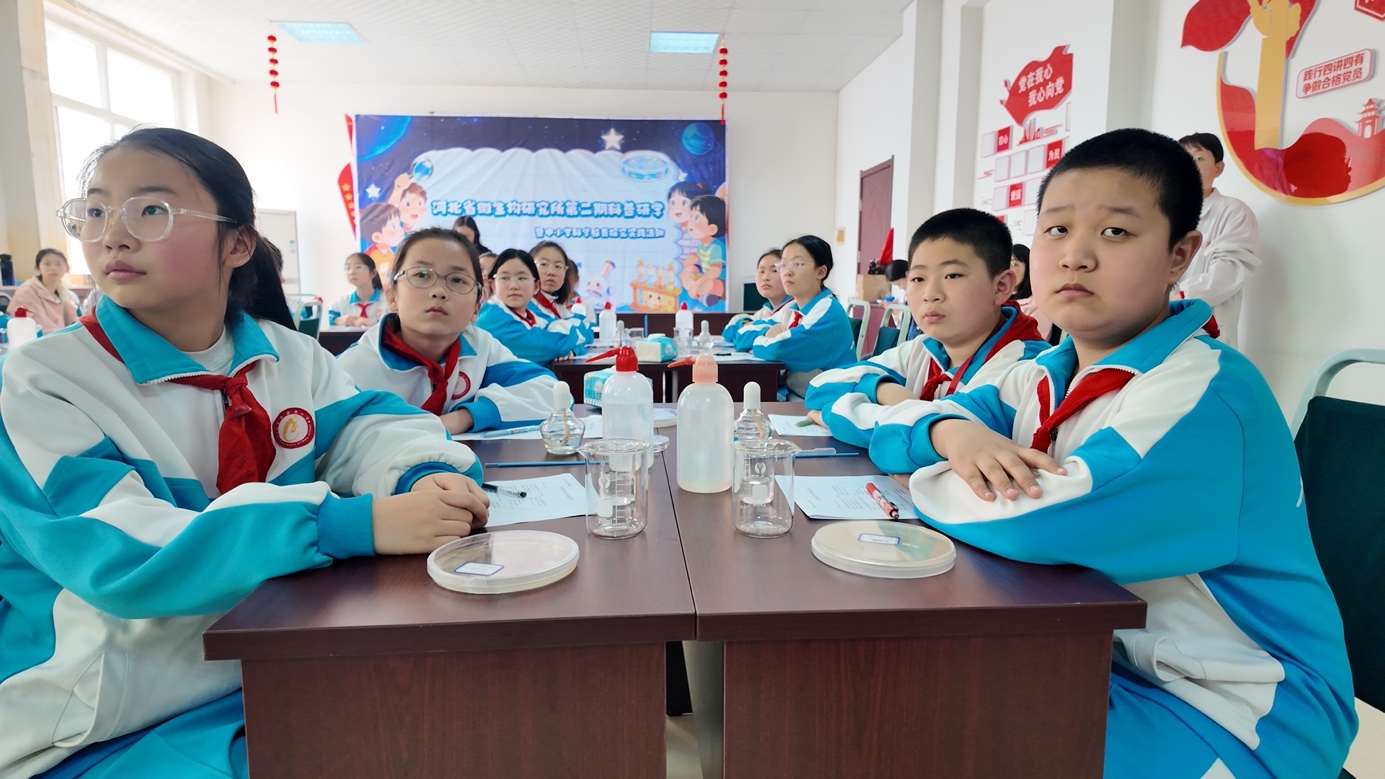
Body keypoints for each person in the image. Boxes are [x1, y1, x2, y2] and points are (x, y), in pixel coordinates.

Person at [0, 128, 490, 778]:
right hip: (107, 708)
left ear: (237, 243)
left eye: (150, 209)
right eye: (95, 211)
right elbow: (118, 552)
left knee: (449, 722)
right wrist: (341, 523)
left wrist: (423, 476)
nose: (112, 235)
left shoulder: (288, 356)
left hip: (268, 660)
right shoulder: (42, 381)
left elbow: (370, 426)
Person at [870, 128, 1355, 778]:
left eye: (1115, 232)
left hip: (1235, 706)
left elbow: (1035, 518)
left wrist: (921, 474)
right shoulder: (1044, 373)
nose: (1075, 256)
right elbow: (887, 425)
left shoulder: (1204, 391)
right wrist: (950, 436)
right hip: (1103, 652)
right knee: (897, 703)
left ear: (1179, 255)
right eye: (1056, 230)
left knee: (930, 734)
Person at [804, 208, 1048, 449]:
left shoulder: (1027, 367)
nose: (930, 294)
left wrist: (833, 416)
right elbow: (818, 388)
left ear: (1001, 286)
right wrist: (884, 390)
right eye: (918, 279)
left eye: (952, 275)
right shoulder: (926, 348)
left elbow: (929, 440)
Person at [338, 228, 559, 436]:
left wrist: (466, 417)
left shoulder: (479, 347)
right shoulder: (349, 372)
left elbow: (552, 392)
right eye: (421, 275)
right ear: (392, 296)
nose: (439, 291)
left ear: (476, 308)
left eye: (457, 280)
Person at [1173, 132, 1259, 349]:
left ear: (1218, 168)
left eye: (1199, 158)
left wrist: (1178, 297)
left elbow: (1229, 271)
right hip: (1156, 327)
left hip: (1206, 331)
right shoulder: (1162, 214)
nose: (1189, 164)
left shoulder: (1233, 212)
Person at [751, 235, 856, 400]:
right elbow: (747, 332)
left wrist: (759, 340)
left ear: (821, 272)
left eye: (797, 264)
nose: (787, 272)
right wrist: (764, 335)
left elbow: (777, 349)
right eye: (783, 265)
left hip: (828, 403)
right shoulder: (795, 309)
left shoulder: (826, 312)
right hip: (800, 395)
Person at [475, 248, 593, 365]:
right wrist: (571, 342)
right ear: (493, 285)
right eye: (505, 278)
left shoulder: (528, 316)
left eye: (521, 278)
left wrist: (574, 349)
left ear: (536, 286)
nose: (513, 285)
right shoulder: (492, 317)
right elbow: (552, 347)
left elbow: (585, 332)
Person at [722, 248, 790, 351]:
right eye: (761, 271)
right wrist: (746, 324)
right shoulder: (764, 311)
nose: (765, 277)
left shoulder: (794, 309)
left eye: (774, 270)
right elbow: (728, 332)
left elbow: (741, 341)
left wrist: (752, 328)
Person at [7, 248, 80, 335]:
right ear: (38, 268)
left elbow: (74, 322)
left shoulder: (64, 293)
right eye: (47, 264)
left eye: (58, 264)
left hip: (59, 338)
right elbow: (41, 328)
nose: (53, 268)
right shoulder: (26, 292)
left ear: (67, 268)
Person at [1010, 243, 1058, 343]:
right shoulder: (996, 298)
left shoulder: (1037, 304)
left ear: (1029, 268)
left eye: (1014, 264)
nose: (1008, 269)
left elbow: (1037, 342)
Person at [328, 252, 386, 327]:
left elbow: (396, 322)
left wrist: (375, 323)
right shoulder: (343, 302)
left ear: (373, 273)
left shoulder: (387, 301)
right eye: (348, 268)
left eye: (358, 267)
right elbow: (324, 319)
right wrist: (337, 320)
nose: (351, 272)